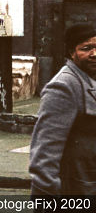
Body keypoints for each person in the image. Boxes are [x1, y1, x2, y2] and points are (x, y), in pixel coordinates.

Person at [30, 22, 96, 196]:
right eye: (86, 48)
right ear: (71, 52)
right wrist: (48, 194)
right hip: (75, 190)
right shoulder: (64, 86)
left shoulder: (90, 78)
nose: (94, 54)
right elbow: (46, 147)